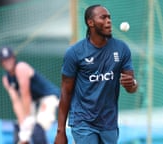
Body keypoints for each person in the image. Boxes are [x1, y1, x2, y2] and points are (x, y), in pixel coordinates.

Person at [54, 4, 138, 144]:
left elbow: (131, 86)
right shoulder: (75, 52)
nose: (109, 21)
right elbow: (66, 91)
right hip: (83, 122)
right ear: (90, 22)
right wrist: (60, 131)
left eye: (109, 18)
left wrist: (132, 84)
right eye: (103, 17)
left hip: (109, 122)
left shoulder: (121, 48)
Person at [0, 47, 60, 144]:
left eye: (9, 59)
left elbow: (25, 94)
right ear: (1, 62)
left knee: (37, 130)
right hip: (34, 102)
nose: (8, 62)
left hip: (48, 97)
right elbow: (16, 102)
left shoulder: (21, 68)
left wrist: (27, 120)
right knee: (19, 130)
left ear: (14, 58)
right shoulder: (6, 79)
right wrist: (23, 123)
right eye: (5, 60)